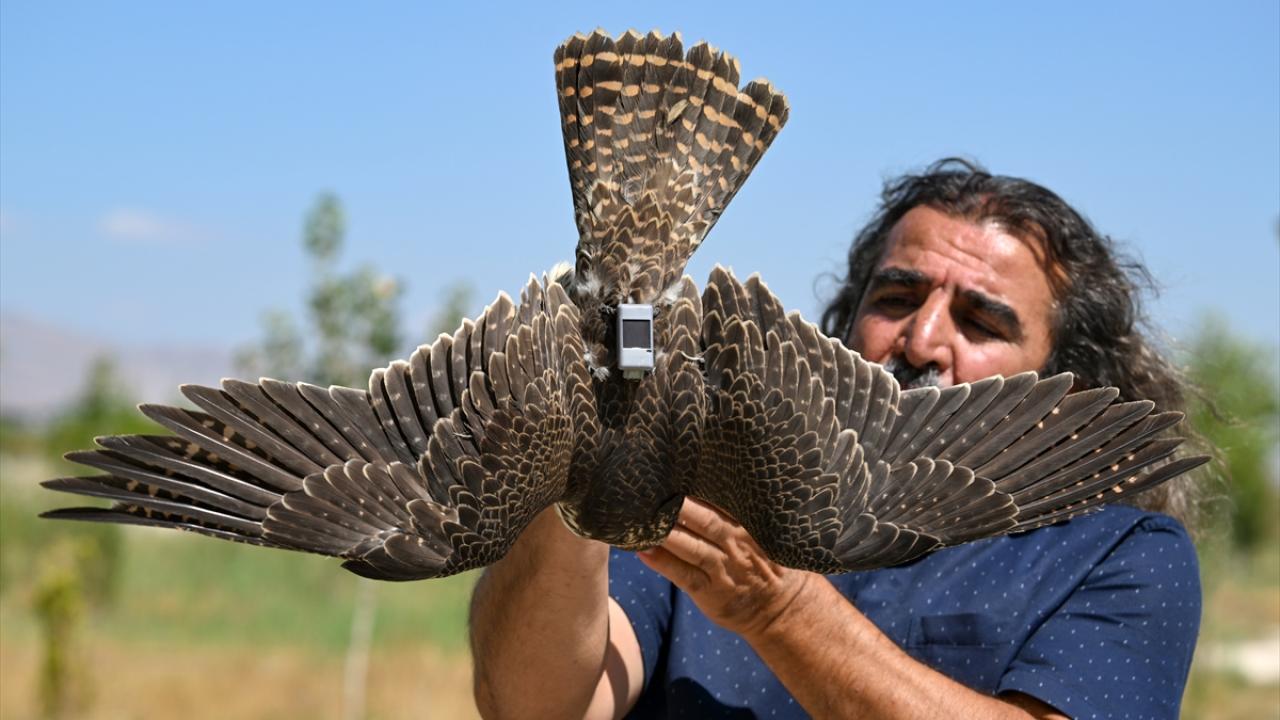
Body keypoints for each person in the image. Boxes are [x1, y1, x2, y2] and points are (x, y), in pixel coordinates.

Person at [468, 158, 1207, 719]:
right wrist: (577, 476)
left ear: (1066, 390)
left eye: (980, 322)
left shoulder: (1119, 551)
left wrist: (780, 610)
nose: (921, 339)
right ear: (846, 320)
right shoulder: (708, 489)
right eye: (897, 298)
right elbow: (536, 707)